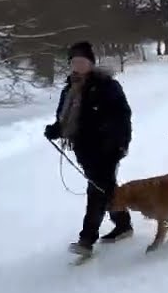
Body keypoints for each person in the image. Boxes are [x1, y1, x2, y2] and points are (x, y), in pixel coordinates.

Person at [44, 41, 134, 256]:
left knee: (96, 191)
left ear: (91, 62)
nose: (78, 65)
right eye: (74, 61)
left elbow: (122, 117)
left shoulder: (107, 85)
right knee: (107, 188)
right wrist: (56, 130)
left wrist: (120, 144)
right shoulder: (70, 88)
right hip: (84, 149)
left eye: (82, 61)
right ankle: (123, 224)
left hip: (107, 148)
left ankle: (87, 239)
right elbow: (66, 119)